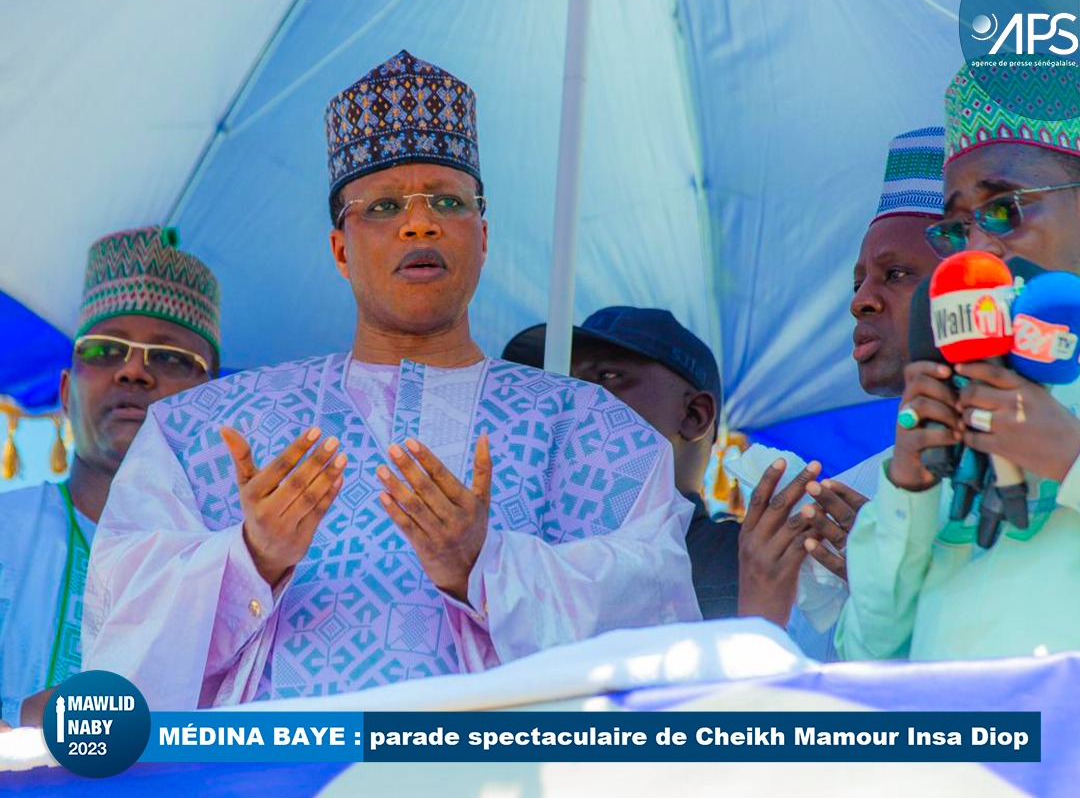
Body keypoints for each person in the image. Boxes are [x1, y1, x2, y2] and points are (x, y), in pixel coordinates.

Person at [82, 51, 700, 709]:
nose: (420, 222)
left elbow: (657, 632)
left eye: (447, 201)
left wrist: (487, 567)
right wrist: (250, 557)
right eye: (382, 206)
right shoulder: (202, 430)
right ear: (341, 250)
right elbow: (117, 655)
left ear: (482, 236)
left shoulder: (597, 435)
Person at [836, 64, 1080, 660]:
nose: (978, 247)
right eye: (957, 226)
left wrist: (1069, 457)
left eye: (1004, 209)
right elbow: (867, 655)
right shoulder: (953, 391)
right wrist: (910, 488)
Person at [735, 128, 946, 655]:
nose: (861, 302)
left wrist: (888, 584)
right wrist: (764, 592)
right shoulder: (842, 502)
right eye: (858, 283)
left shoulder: (1042, 451)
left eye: (894, 274)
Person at [0, 226, 220, 726]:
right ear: (64, 391)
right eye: (104, 350)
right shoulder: (5, 531)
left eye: (170, 357)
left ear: (213, 401)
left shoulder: (242, 563)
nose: (134, 372)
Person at [502, 306, 738, 619]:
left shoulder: (755, 560)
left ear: (695, 415)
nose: (568, 398)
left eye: (607, 377)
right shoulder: (519, 562)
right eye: (563, 382)